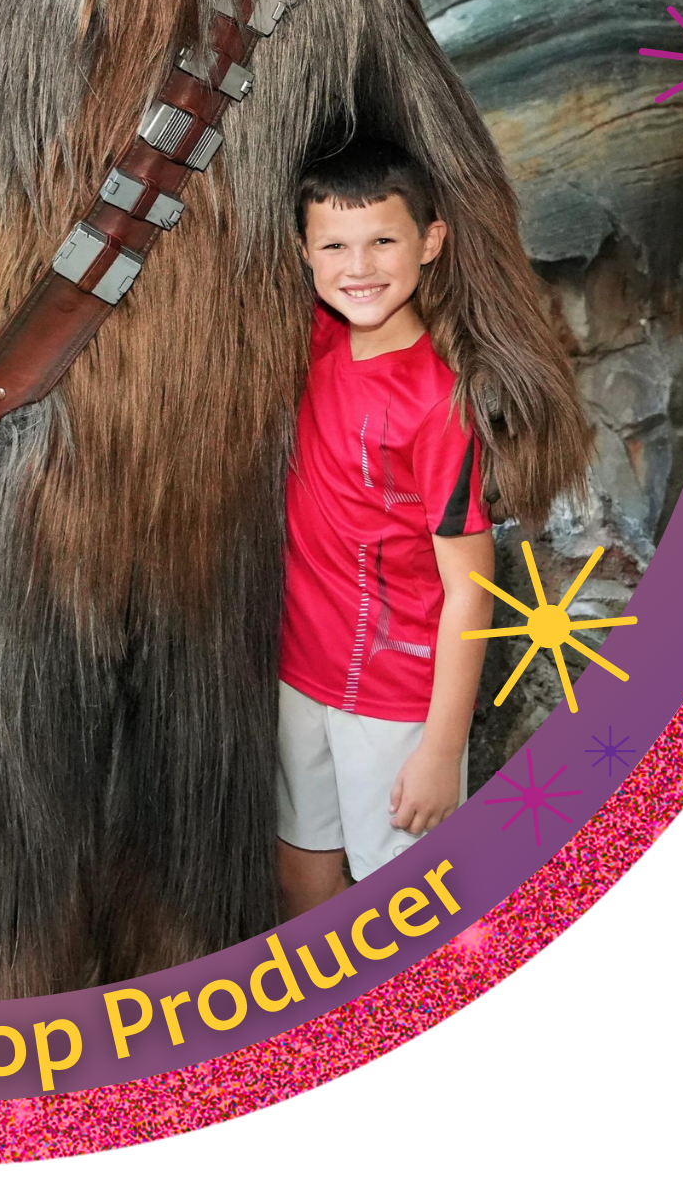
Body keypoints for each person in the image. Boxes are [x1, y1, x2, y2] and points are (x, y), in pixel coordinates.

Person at [276, 137, 497, 914]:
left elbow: (471, 591)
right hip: (299, 674)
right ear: (304, 253)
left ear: (430, 242)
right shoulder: (314, 341)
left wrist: (441, 748)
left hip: (396, 698)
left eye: (382, 241)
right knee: (300, 876)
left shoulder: (439, 404)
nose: (359, 266)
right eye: (334, 245)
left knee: (402, 910)